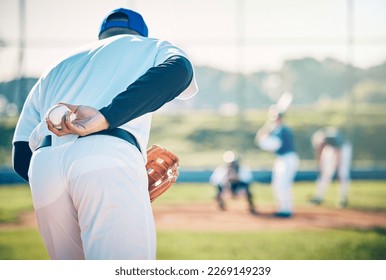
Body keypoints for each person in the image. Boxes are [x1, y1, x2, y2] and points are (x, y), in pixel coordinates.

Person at [12, 8, 198, 260]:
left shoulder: (56, 67)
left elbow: (22, 155)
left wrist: (64, 185)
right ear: (141, 33)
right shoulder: (149, 46)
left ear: (102, 35)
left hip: (44, 167)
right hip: (108, 155)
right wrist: (107, 117)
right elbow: (179, 70)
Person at [255, 107, 299, 218]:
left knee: (283, 185)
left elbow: (274, 144)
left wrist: (262, 138)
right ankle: (282, 208)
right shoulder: (278, 130)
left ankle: (286, 210)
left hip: (288, 158)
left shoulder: (282, 130)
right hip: (282, 159)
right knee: (278, 184)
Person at [309, 127, 352, 208]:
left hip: (343, 149)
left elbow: (338, 153)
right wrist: (320, 166)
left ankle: (343, 199)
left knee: (342, 173)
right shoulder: (323, 144)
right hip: (333, 149)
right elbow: (319, 154)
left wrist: (337, 167)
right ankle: (318, 197)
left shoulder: (334, 139)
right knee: (325, 174)